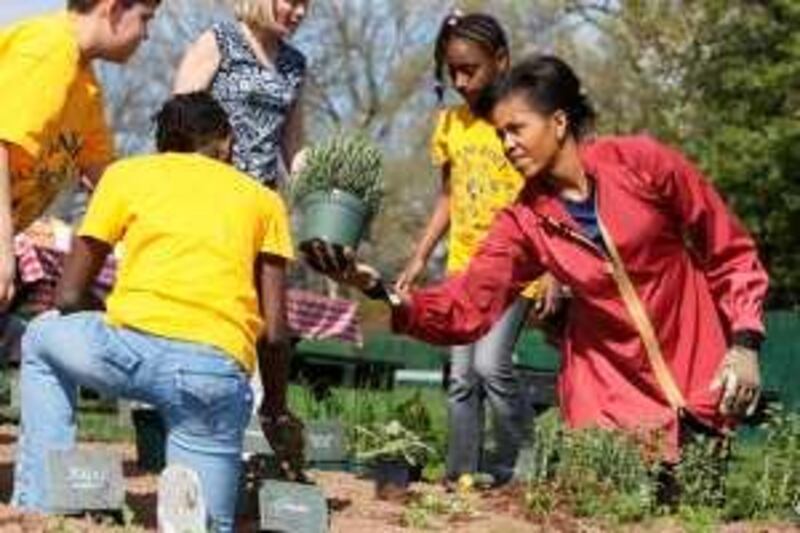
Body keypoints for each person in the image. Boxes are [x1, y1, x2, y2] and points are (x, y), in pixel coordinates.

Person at [310, 55, 769, 463]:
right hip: (613, 405)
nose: (507, 145)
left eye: (517, 129)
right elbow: (466, 307)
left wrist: (745, 344)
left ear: (559, 123)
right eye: (500, 134)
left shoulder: (642, 163)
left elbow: (729, 250)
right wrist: (376, 287)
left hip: (701, 378)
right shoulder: (523, 222)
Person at [12, 92, 299, 532]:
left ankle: (42, 504)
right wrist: (275, 409)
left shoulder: (128, 176)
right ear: (226, 142)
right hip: (213, 372)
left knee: (40, 338)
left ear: (163, 144)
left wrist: (114, 319)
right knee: (205, 520)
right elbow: (275, 332)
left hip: (128, 352)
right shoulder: (263, 201)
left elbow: (69, 296)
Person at [394, 12, 552, 487]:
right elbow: (449, 196)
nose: (460, 81)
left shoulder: (522, 122)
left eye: (471, 70)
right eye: (452, 71)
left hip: (516, 270)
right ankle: (462, 473)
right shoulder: (452, 125)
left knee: (490, 364)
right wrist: (421, 255)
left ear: (500, 61)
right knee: (461, 375)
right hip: (464, 268)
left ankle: (526, 461)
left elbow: (547, 199)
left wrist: (552, 271)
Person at [0, 0, 160, 310]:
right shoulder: (49, 49)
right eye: (145, 19)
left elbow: (108, 181)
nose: (146, 35)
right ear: (113, 8)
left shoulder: (85, 85)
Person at [173, 0, 309, 189]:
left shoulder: (295, 65)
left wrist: (315, 191)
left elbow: (295, 147)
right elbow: (175, 119)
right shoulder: (220, 40)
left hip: (260, 196)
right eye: (293, 2)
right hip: (208, 188)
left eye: (305, 4)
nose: (301, 12)